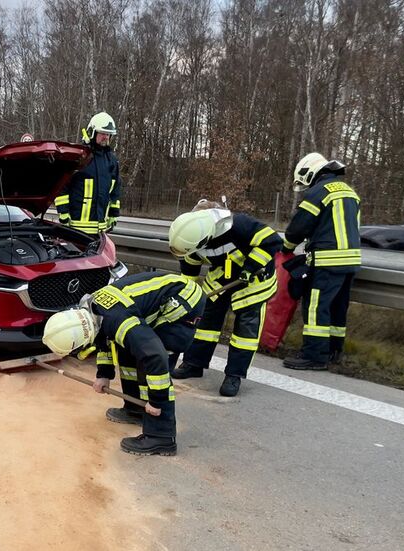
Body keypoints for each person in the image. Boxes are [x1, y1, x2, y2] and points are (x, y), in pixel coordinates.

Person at [42, 271, 205, 456]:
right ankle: (135, 408)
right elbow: (104, 338)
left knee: (151, 362)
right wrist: (104, 374)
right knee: (128, 351)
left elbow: (155, 357)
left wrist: (156, 401)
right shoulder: (90, 311)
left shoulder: (117, 320)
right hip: (159, 297)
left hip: (183, 301)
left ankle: (161, 436)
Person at [167, 201, 283, 396]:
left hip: (254, 279)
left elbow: (272, 241)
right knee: (203, 322)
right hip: (221, 277)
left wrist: (250, 268)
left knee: (245, 333)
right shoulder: (192, 237)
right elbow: (190, 268)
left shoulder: (239, 225)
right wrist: (188, 297)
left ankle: (234, 375)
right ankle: (194, 364)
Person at [281, 153, 361, 370]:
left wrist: (286, 247)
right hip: (350, 261)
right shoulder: (349, 191)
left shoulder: (318, 192)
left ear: (310, 173)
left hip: (327, 261)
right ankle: (334, 351)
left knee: (316, 308)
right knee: (337, 307)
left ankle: (314, 356)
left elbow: (299, 226)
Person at [54, 111, 122, 235]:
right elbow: (62, 187)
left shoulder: (112, 161)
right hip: (76, 228)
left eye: (108, 134)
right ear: (92, 133)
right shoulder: (79, 157)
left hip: (101, 230)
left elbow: (115, 191)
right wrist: (63, 213)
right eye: (102, 133)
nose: (106, 137)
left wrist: (114, 214)